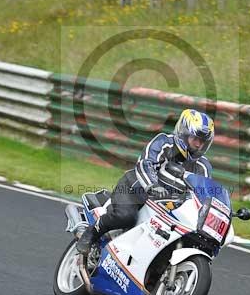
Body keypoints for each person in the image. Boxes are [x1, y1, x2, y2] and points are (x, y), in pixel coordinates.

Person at [76, 109, 215, 255]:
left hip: (167, 207)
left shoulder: (203, 166)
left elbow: (205, 194)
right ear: (184, 133)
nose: (199, 145)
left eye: (202, 141)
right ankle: (91, 233)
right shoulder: (164, 143)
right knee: (126, 216)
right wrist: (152, 185)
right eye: (195, 138)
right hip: (135, 189)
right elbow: (145, 164)